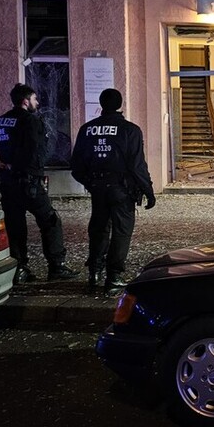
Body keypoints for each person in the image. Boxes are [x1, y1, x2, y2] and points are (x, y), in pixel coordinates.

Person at [0, 83, 79, 283]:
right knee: (50, 221)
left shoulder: (0, 122)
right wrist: (36, 173)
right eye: (34, 99)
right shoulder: (31, 121)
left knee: (15, 226)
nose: (37, 103)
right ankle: (56, 266)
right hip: (29, 183)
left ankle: (19, 269)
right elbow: (37, 153)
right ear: (25, 101)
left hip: (7, 183)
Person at [70, 88, 156, 294]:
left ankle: (94, 272)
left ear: (101, 104)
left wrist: (90, 183)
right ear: (120, 104)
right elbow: (137, 165)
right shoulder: (130, 130)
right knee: (121, 231)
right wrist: (148, 190)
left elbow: (76, 165)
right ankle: (114, 276)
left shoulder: (87, 129)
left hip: (98, 188)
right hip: (122, 189)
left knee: (98, 229)